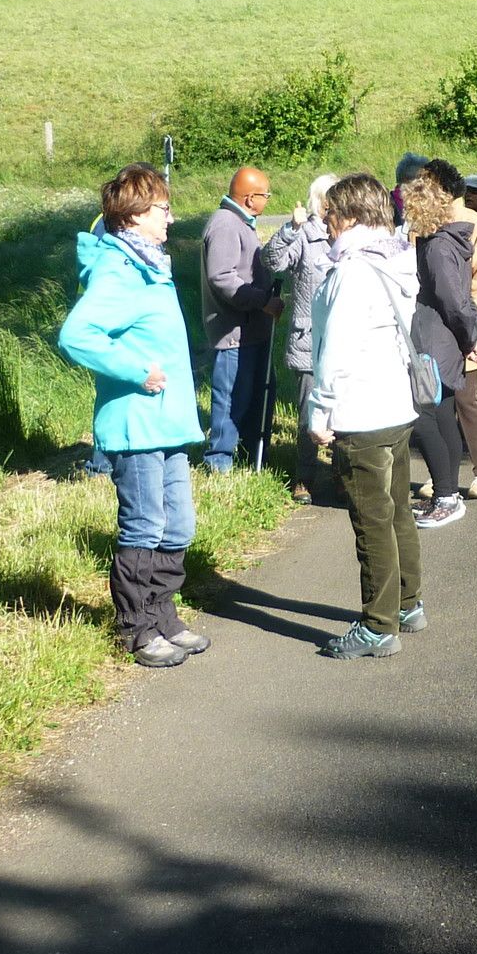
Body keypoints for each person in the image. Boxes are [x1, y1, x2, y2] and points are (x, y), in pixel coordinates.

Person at [59, 164, 210, 669]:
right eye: (163, 209)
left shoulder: (149, 266)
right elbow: (77, 336)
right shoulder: (118, 270)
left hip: (167, 422)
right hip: (137, 424)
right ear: (134, 214)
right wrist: (136, 371)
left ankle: (163, 615)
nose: (171, 217)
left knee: (177, 526)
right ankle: (137, 629)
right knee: (144, 526)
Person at [307, 174, 426, 658]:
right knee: (397, 513)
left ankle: (378, 626)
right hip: (395, 404)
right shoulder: (394, 258)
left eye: (332, 215)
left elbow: (335, 350)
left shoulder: (352, 272)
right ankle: (407, 605)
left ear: (352, 217)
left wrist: (320, 412)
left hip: (359, 412)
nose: (326, 224)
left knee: (372, 522)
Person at [401, 171, 477, 526]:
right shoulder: (441, 241)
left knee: (422, 418)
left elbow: (454, 300)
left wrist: (473, 337)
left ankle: (447, 497)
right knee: (443, 414)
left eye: (409, 205)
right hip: (444, 340)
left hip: (436, 343)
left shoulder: (437, 247)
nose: (404, 211)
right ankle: (446, 493)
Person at [200, 166, 284, 472]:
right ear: (249, 198)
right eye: (265, 195)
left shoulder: (241, 222)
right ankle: (219, 464)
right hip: (234, 334)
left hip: (252, 331)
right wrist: (262, 301)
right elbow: (222, 278)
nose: (268, 200)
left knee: (257, 397)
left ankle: (252, 458)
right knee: (232, 400)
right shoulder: (225, 224)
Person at [263, 172, 338, 504]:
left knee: (341, 410)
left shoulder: (346, 234)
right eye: (332, 199)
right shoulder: (305, 234)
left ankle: (341, 473)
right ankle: (304, 477)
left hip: (340, 337)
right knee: (309, 412)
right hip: (308, 339)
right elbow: (272, 261)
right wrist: (290, 229)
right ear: (321, 202)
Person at [431, 161, 477, 499]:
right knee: (437, 402)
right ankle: (443, 472)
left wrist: (469, 321)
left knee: (466, 398)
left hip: (466, 327)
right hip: (432, 329)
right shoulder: (423, 223)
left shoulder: (476, 223)